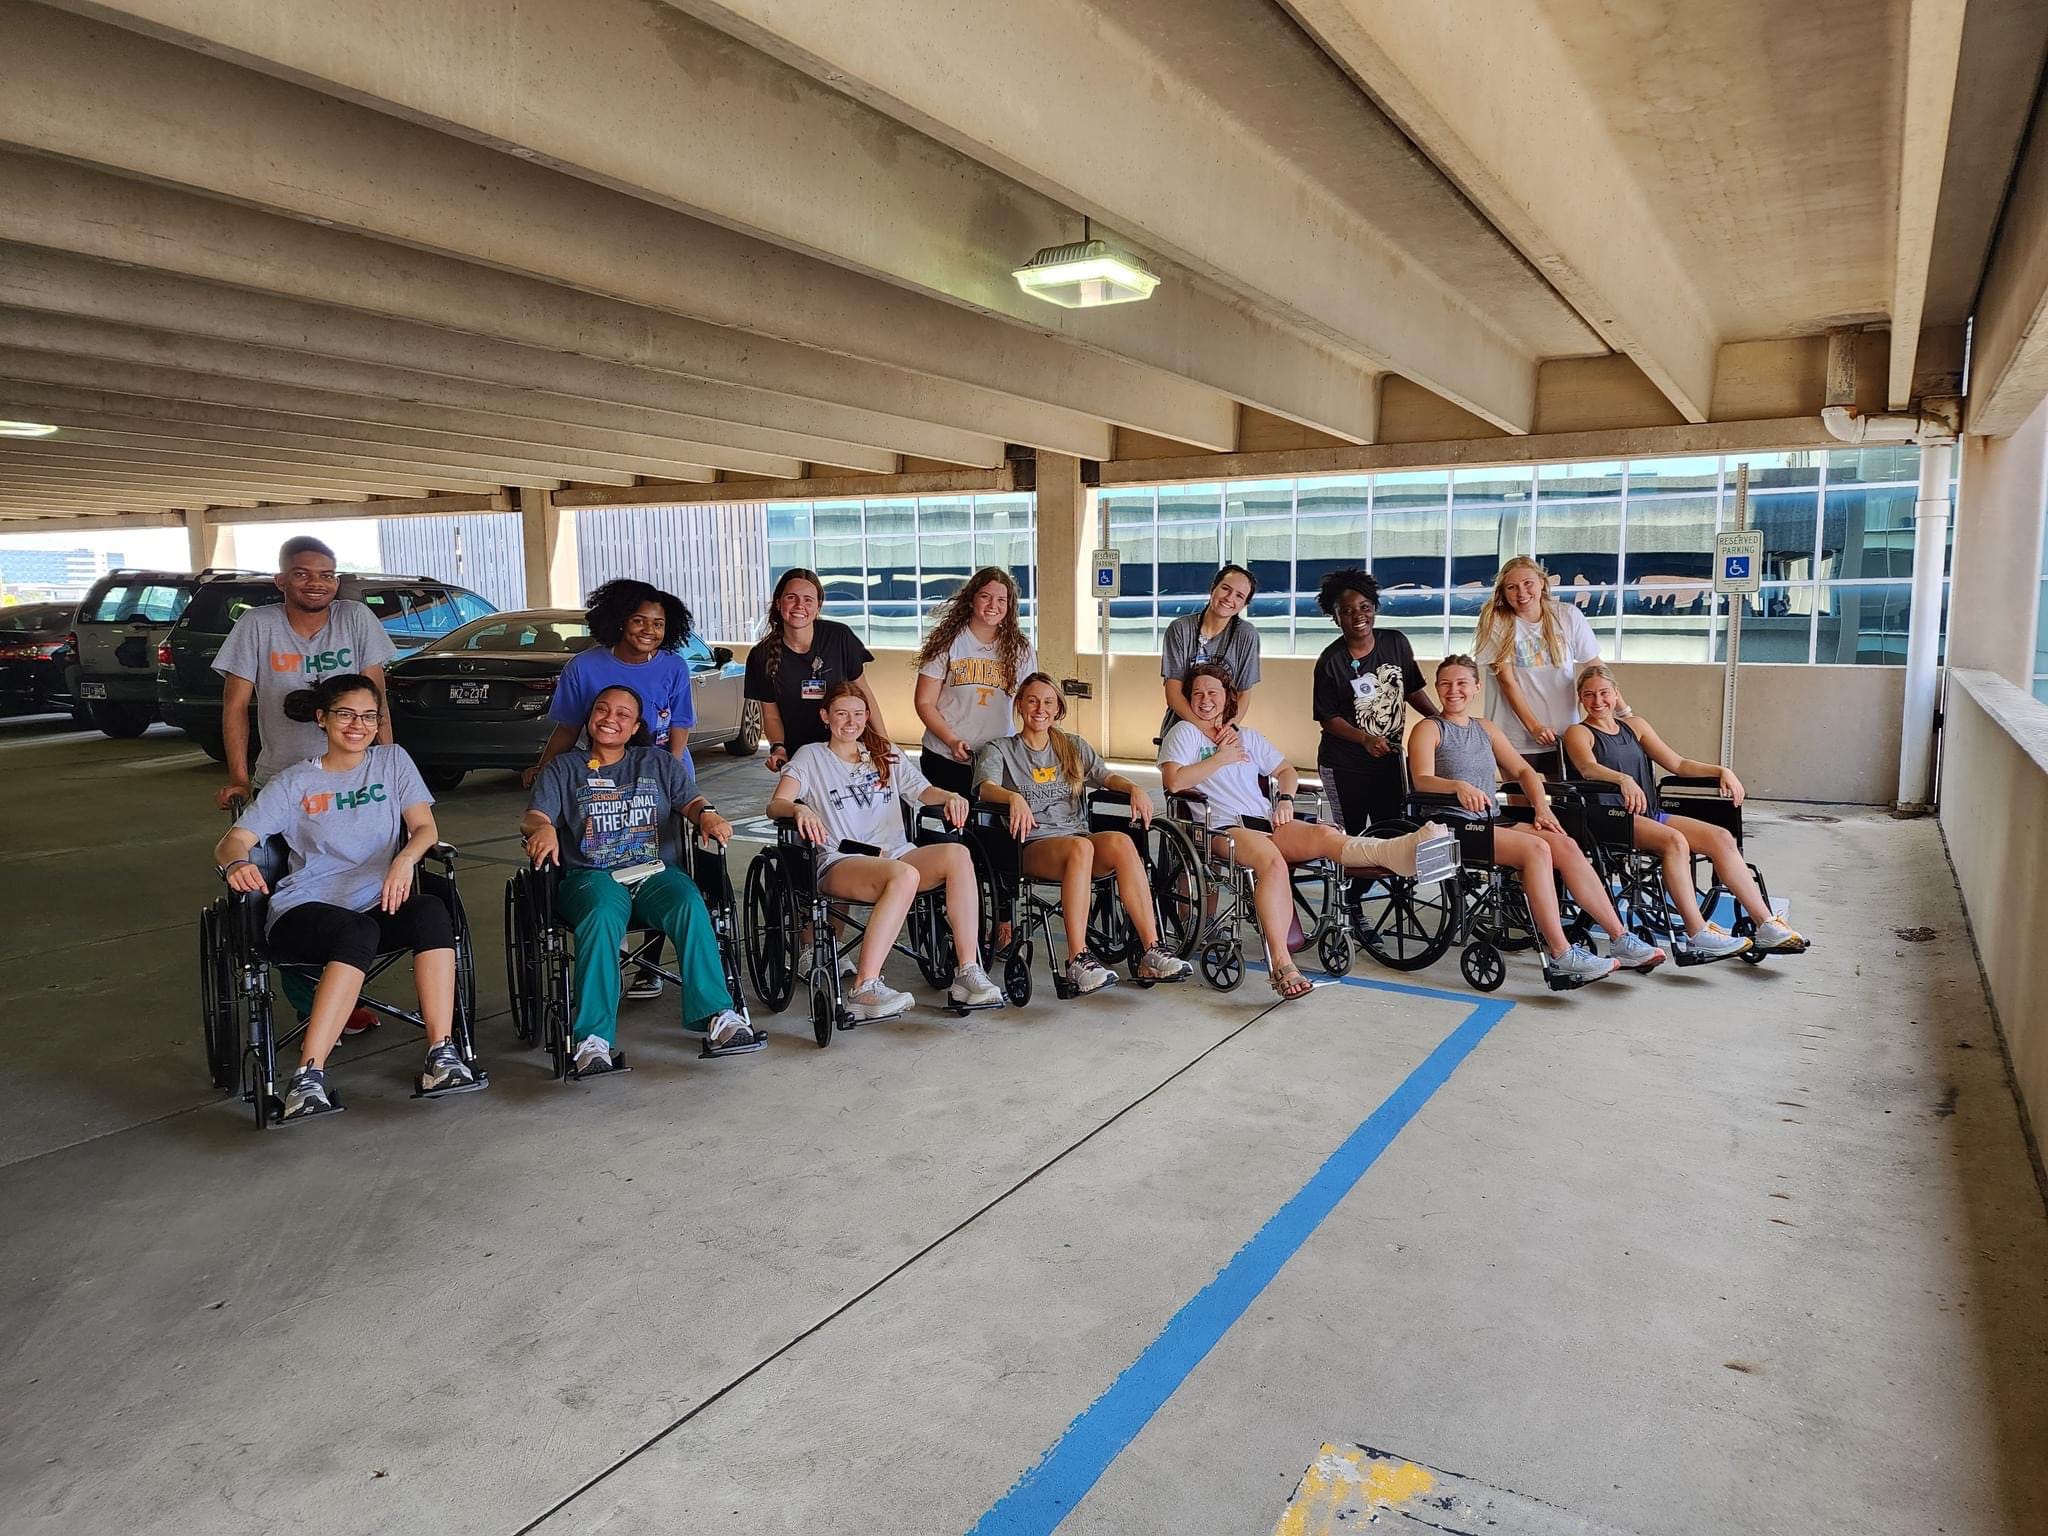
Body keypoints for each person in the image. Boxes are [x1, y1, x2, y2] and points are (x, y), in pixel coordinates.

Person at [213, 673, 481, 1120]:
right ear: (322, 719)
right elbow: (231, 842)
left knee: (433, 910)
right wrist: (237, 864)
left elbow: (424, 829)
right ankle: (307, 1078)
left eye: (369, 716)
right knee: (357, 930)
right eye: (346, 714)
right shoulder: (294, 782)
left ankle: (442, 1053)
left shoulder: (393, 761)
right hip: (306, 908)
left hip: (378, 899)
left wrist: (405, 859)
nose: (358, 725)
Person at [1161, 663, 1447, 1002]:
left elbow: (1285, 771)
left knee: (1326, 837)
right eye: (1197, 694)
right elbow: (1174, 782)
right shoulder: (1184, 734)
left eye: (1213, 693)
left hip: (1265, 821)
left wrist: (1284, 799)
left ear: (1228, 698)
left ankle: (1403, 852)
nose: (1205, 700)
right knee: (1272, 863)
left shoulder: (1248, 737)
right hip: (1222, 828)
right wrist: (1221, 758)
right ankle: (1282, 965)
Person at [522, 685, 764, 1077]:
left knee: (690, 903)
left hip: (654, 873)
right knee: (601, 916)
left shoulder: (657, 763)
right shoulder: (564, 768)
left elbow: (691, 802)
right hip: (592, 876)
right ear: (589, 718)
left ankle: (719, 1015)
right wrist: (543, 829)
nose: (610, 719)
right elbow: (536, 816)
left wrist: (708, 815)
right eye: (602, 710)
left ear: (636, 727)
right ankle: (591, 1040)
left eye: (622, 715)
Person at [213, 536, 398, 1038]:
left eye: (326, 574)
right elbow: (235, 708)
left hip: (354, 776)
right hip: (283, 781)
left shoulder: (355, 620)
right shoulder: (258, 626)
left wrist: (386, 765)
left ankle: (343, 991)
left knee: (355, 879)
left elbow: (375, 697)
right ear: (281, 580)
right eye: (302, 573)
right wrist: (237, 776)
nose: (316, 582)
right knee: (281, 895)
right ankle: (311, 1001)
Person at [1408, 656, 1665, 989]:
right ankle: (1561, 953)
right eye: (1445, 684)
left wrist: (1541, 807)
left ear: (1475, 688)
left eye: (1461, 683)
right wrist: (1457, 786)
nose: (1453, 690)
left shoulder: (1484, 728)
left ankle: (1620, 938)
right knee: (1536, 850)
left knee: (1565, 844)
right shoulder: (1429, 728)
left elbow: (1523, 771)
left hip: (1491, 820)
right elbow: (1422, 779)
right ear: (1438, 687)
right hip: (1453, 824)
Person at [768, 683, 1004, 1021]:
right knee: (904, 874)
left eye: (858, 714)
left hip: (896, 854)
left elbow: (923, 791)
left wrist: (951, 796)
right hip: (842, 859)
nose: (850, 722)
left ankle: (967, 971)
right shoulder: (811, 756)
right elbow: (776, 804)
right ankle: (864, 986)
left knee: (958, 855)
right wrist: (798, 810)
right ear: (825, 716)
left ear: (867, 717)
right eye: (841, 714)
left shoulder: (885, 753)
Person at [1563, 663, 1808, 959]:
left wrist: (1721, 770)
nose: (1597, 701)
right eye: (1589, 695)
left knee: (1720, 837)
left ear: (1616, 694)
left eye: (1604, 693)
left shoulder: (1635, 726)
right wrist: (1622, 778)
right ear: (1580, 698)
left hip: (1648, 814)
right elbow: (1588, 768)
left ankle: (1765, 924)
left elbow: (1677, 764)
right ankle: (1697, 932)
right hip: (1612, 818)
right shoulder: (1579, 732)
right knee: (1674, 841)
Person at [974, 672, 1195, 994]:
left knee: (1120, 841)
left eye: (1048, 702)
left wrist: (1134, 788)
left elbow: (1104, 776)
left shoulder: (1072, 745)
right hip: (1034, 844)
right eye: (1032, 700)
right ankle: (1077, 959)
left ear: (1058, 709)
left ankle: (1152, 949)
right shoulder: (1001, 748)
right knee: (1081, 848)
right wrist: (1013, 797)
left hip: (1078, 838)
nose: (1040, 708)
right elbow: (985, 787)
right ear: (1019, 705)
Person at [1310, 567, 1440, 841]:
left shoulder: (1396, 642)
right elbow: (1327, 717)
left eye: (1364, 606)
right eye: (1346, 611)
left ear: (1374, 608)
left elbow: (1412, 690)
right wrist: (1365, 739)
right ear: (1335, 618)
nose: (1358, 615)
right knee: (1353, 838)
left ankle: (1385, 884)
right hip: (1345, 764)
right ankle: (1353, 885)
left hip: (1388, 761)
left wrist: (1441, 721)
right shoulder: (1330, 661)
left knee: (1391, 833)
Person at [527, 579, 697, 786]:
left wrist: (673, 767)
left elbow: (680, 723)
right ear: (620, 621)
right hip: (603, 774)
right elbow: (567, 728)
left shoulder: (675, 666)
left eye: (658, 624)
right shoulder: (582, 667)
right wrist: (544, 768)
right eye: (639, 621)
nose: (649, 630)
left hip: (663, 771)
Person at [1474, 556, 1608, 780]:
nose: (1522, 593)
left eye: (1528, 583)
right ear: (1504, 592)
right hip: (1514, 734)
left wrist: (1623, 714)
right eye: (1512, 587)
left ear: (1542, 583)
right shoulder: (1495, 620)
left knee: (1566, 806)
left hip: (1564, 732)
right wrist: (1534, 727)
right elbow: (1506, 681)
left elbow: (1595, 667)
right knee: (1523, 805)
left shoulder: (1567, 615)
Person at [913, 566, 1036, 795]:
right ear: (971, 599)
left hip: (997, 758)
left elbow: (1031, 701)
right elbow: (924, 703)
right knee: (960, 826)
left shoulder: (1022, 648)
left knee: (994, 827)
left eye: (1001, 600)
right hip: (945, 756)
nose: (993, 606)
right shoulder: (947, 642)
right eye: (985, 597)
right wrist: (951, 741)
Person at [746, 567, 881, 774]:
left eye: (808, 600)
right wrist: (778, 748)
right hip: (801, 758)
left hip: (849, 751)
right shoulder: (761, 655)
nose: (800, 605)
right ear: (778, 602)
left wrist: (884, 745)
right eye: (792, 597)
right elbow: (771, 715)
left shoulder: (839, 637)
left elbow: (866, 695)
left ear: (818, 607)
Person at [1159, 564, 1260, 742]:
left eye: (1239, 596)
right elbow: (1173, 693)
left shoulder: (1246, 634)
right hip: (1182, 731)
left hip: (1223, 733)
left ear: (1244, 604)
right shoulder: (1181, 629)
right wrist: (1207, 729)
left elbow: (1244, 693)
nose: (1229, 598)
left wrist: (1231, 728)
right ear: (1213, 588)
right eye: (1226, 589)